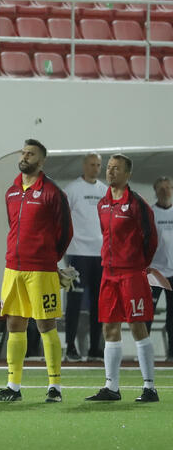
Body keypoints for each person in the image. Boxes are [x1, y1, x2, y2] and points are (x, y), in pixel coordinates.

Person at [0, 139, 72, 403]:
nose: (25, 157)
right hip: (13, 268)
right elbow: (13, 226)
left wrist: (49, 260)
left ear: (42, 161)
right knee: (15, 324)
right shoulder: (12, 191)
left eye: (31, 154)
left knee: (46, 325)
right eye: (24, 153)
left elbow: (65, 232)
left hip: (41, 270)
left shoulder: (53, 192)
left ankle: (55, 387)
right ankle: (13, 387)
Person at [85, 155, 160, 403]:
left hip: (132, 274)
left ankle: (149, 388)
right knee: (109, 327)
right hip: (109, 274)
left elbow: (151, 239)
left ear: (128, 174)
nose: (111, 172)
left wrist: (138, 264)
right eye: (109, 168)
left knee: (138, 326)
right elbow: (106, 235)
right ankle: (112, 387)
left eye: (116, 169)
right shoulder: (102, 204)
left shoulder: (137, 204)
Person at [63, 153, 107, 361]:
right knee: (74, 301)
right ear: (84, 165)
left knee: (99, 302)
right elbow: (62, 220)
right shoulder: (72, 190)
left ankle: (94, 348)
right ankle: (70, 347)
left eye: (98, 165)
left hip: (100, 255)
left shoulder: (105, 191)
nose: (95, 168)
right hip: (77, 253)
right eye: (91, 164)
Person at [149, 177, 173, 360]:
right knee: (147, 314)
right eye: (161, 188)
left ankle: (172, 353)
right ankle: (144, 352)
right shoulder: (150, 213)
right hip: (154, 272)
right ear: (155, 191)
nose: (165, 191)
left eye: (168, 188)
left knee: (172, 315)